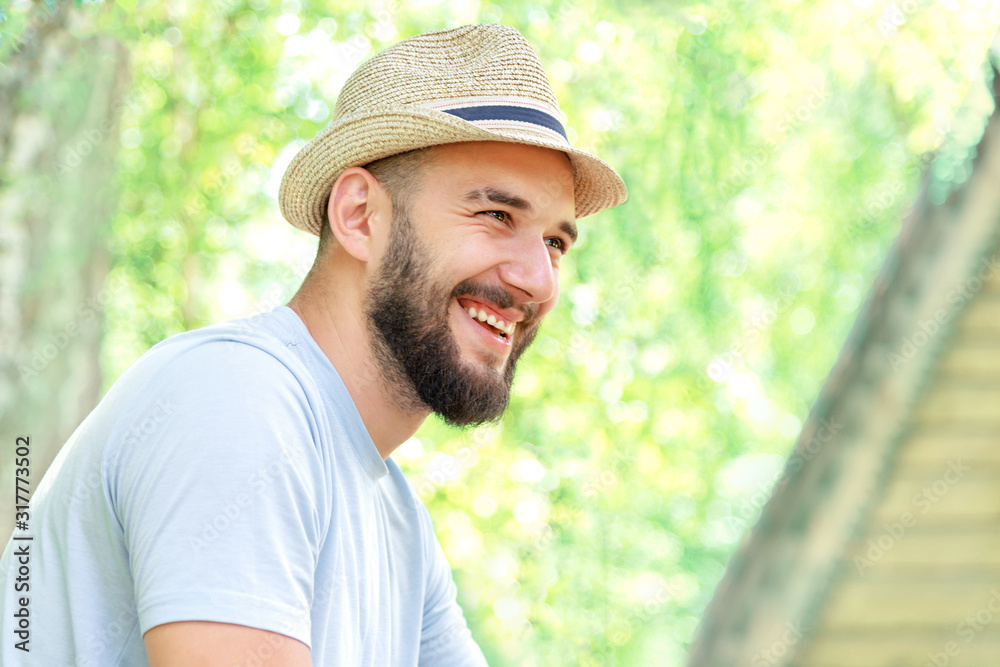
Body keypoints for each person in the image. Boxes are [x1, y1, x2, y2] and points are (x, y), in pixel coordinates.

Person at [0, 23, 626, 666]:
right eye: (498, 216)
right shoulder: (236, 401)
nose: (540, 280)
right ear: (359, 216)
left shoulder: (397, 521)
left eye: (555, 242)